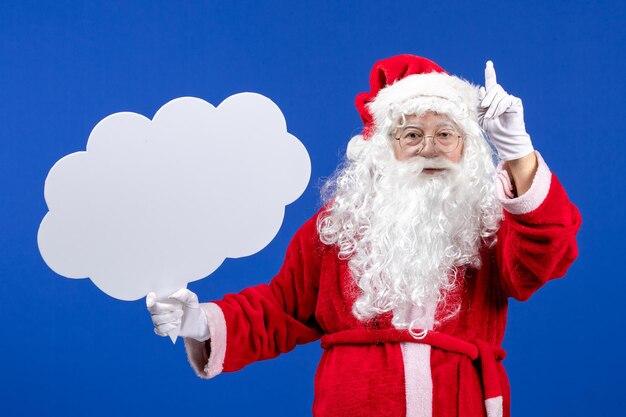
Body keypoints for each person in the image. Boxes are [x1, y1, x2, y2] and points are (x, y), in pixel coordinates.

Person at [147, 55, 581, 417]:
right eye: (412, 134)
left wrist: (518, 150)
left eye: (445, 134)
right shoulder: (338, 227)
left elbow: (547, 255)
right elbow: (281, 309)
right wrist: (198, 321)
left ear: (465, 146)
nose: (429, 147)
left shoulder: (490, 225)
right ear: (383, 146)